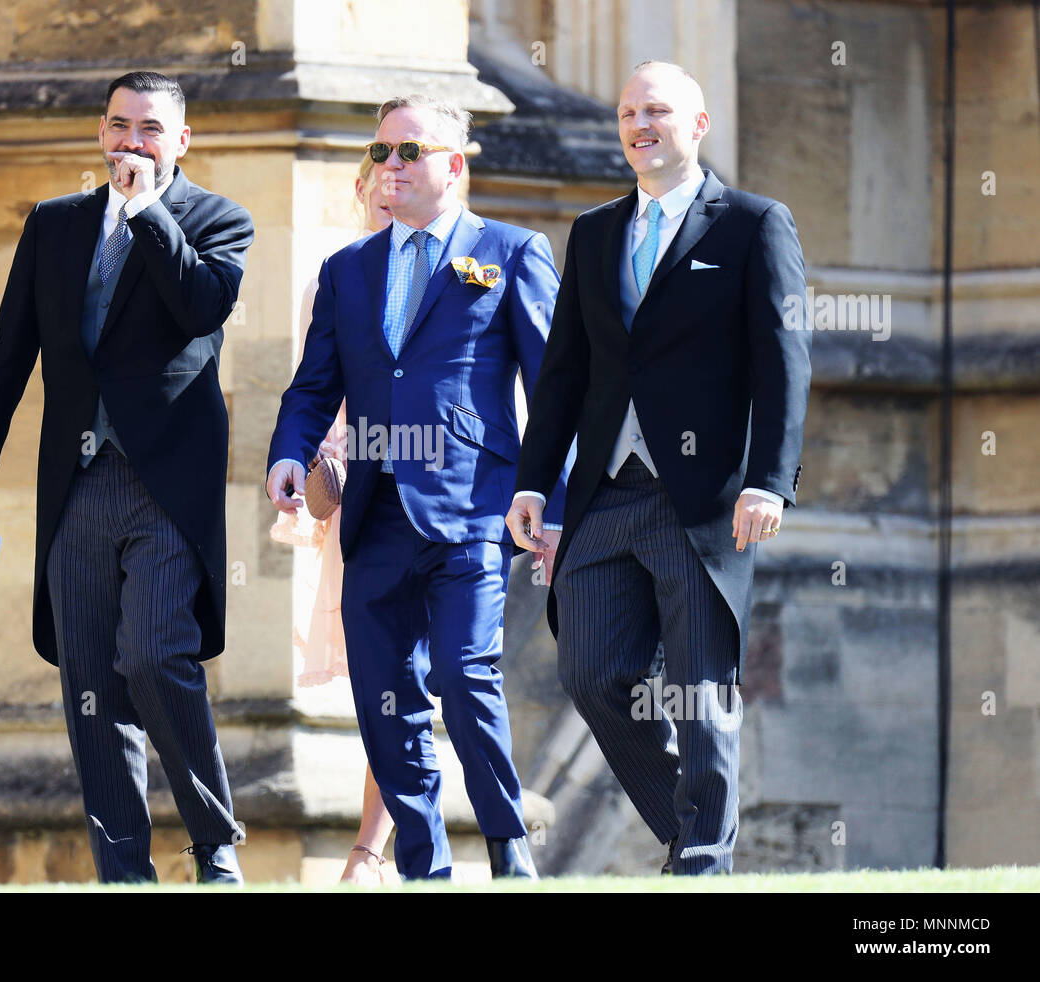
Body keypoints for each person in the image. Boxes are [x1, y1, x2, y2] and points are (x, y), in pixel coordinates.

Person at [0, 71, 253, 885]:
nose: (131, 143)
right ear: (100, 131)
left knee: (154, 658)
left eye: (151, 129)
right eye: (119, 126)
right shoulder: (53, 226)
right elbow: (7, 357)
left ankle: (215, 844)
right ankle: (124, 871)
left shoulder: (218, 220)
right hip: (76, 484)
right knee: (89, 681)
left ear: (181, 141)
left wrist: (147, 211)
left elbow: (200, 308)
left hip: (167, 488)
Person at [507, 60, 812, 875]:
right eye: (629, 111)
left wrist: (770, 479)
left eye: (659, 111)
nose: (641, 125)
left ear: (699, 124)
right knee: (594, 672)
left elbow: (785, 362)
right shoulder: (597, 231)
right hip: (606, 493)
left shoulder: (754, 224)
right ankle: (691, 834)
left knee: (702, 691)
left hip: (704, 497)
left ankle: (701, 864)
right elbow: (564, 371)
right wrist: (536, 480)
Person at [266, 95, 570, 880]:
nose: (389, 166)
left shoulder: (510, 250)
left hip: (472, 508)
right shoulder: (346, 271)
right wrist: (289, 454)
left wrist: (554, 503)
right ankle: (422, 865)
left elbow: (557, 388)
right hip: (373, 515)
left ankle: (508, 847)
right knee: (385, 696)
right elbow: (312, 386)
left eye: (408, 151)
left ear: (454, 165)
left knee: (465, 677)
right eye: (379, 153)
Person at [268, 156, 397, 884]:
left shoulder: (473, 261)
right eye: (373, 179)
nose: (389, 187)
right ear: (356, 192)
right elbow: (314, 390)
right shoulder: (338, 277)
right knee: (380, 681)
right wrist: (315, 460)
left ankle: (379, 849)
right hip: (358, 509)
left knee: (434, 679)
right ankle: (370, 851)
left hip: (445, 506)